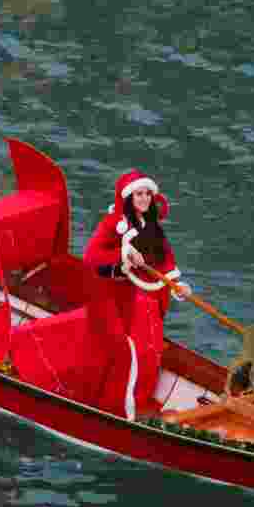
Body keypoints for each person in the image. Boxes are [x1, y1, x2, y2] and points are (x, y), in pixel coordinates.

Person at [83, 170, 191, 419]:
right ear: (129, 197)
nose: (143, 199)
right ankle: (120, 405)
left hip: (147, 302)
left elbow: (165, 263)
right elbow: (92, 256)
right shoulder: (113, 224)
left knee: (151, 352)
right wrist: (124, 256)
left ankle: (140, 399)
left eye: (147, 194)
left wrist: (178, 286)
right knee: (132, 352)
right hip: (121, 300)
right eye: (138, 194)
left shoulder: (154, 228)